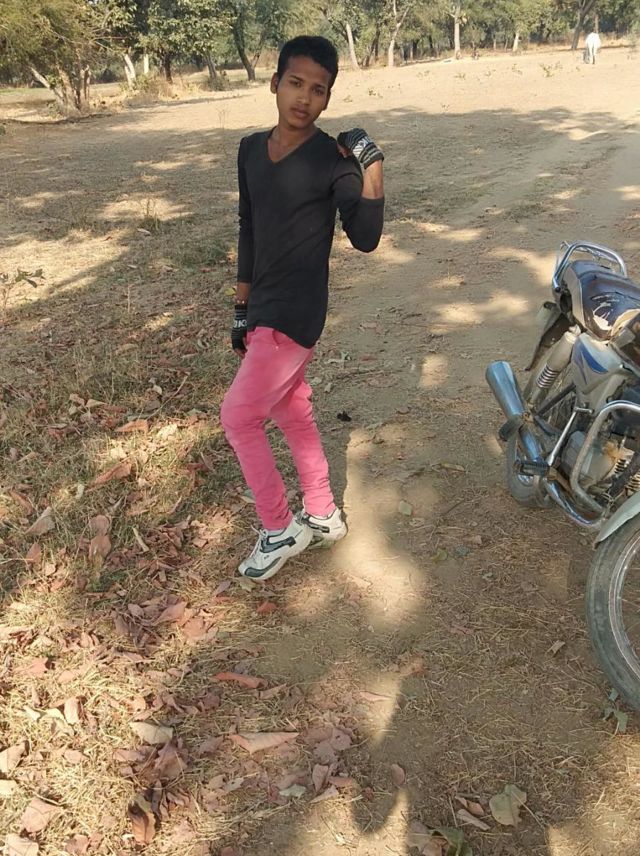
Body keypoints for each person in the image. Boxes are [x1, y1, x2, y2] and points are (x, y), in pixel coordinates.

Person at [220, 35, 385, 581]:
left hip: (296, 312)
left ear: (327, 98)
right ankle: (322, 512)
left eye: (318, 90)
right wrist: (241, 307)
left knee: (238, 416)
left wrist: (372, 166)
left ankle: (279, 529)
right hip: (263, 307)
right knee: (291, 410)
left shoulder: (332, 162)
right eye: (295, 83)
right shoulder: (249, 150)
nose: (304, 98)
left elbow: (365, 238)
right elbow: (249, 228)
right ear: (275, 83)